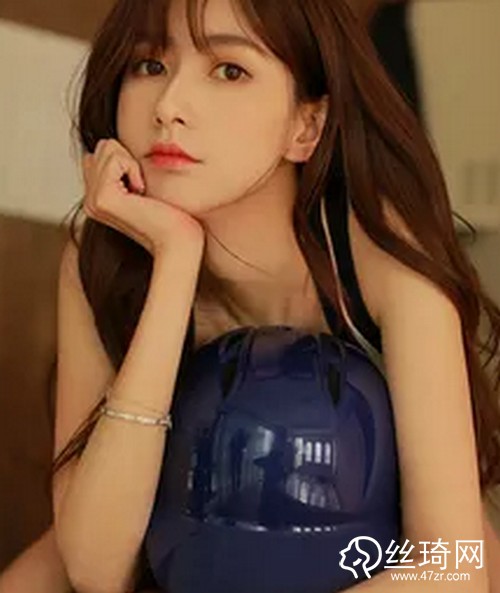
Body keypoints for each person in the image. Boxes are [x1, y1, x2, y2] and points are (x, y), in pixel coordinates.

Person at [3, 0, 500, 591]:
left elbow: (457, 565)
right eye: (149, 65)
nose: (168, 106)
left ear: (305, 128)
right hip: (176, 538)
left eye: (229, 71)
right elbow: (96, 569)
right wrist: (175, 262)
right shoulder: (101, 257)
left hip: (373, 562)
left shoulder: (383, 261)